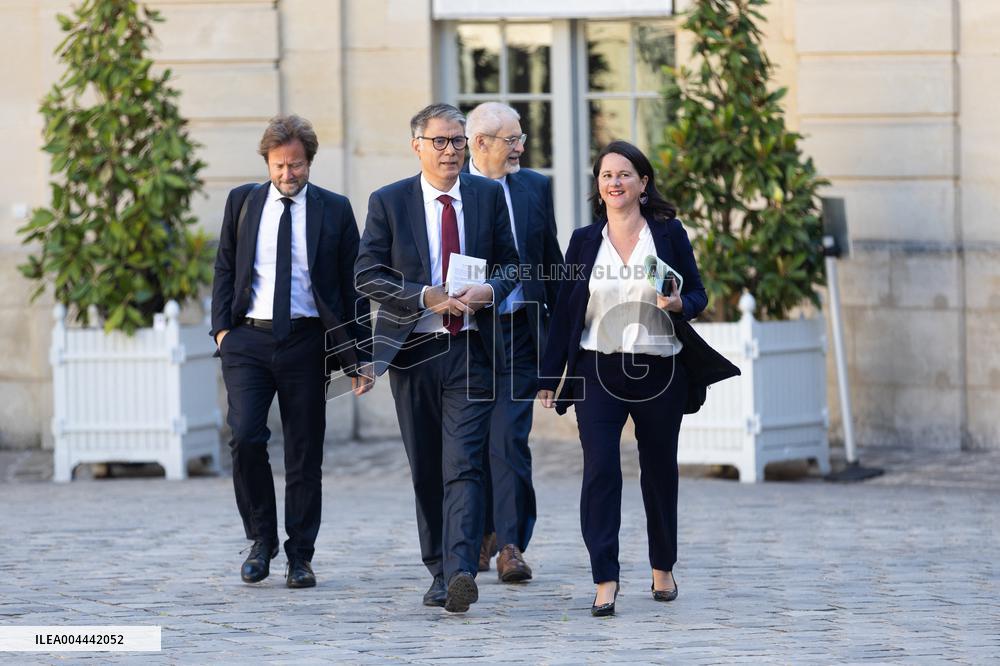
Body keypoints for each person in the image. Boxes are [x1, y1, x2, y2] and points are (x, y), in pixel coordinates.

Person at [354, 103, 520, 613]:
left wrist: (489, 291)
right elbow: (367, 274)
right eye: (441, 142)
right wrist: (424, 295)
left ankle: (461, 570)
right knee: (427, 466)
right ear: (417, 147)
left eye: (457, 141)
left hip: (470, 347)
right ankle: (437, 567)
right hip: (413, 350)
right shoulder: (389, 201)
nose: (451, 151)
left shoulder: (489, 196)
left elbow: (512, 266)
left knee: (464, 463)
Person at [537, 140, 706, 616]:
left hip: (659, 367)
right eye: (607, 175)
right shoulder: (584, 241)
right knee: (601, 472)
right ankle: (605, 579)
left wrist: (679, 305)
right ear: (599, 186)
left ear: (643, 183)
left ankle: (662, 568)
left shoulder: (668, 235)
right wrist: (550, 376)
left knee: (658, 471)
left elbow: (697, 293)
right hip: (598, 367)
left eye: (625, 174)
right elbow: (566, 313)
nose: (615, 182)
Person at [210, 114, 374, 589]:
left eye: (297, 165)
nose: (288, 175)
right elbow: (225, 267)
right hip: (248, 340)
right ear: (267, 162)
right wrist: (222, 330)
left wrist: (358, 354)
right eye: (280, 166)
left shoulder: (335, 209)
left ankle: (300, 554)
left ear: (309, 163)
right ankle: (261, 540)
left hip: (307, 342)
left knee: (304, 453)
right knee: (245, 436)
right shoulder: (242, 202)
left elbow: (352, 287)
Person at [463, 102, 563, 581]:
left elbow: (551, 263)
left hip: (521, 331)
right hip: (467, 338)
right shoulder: (454, 191)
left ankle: (510, 544)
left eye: (521, 137)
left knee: (509, 440)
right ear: (480, 144)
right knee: (474, 443)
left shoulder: (535, 188)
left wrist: (560, 350)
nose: (522, 146)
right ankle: (481, 534)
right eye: (512, 139)